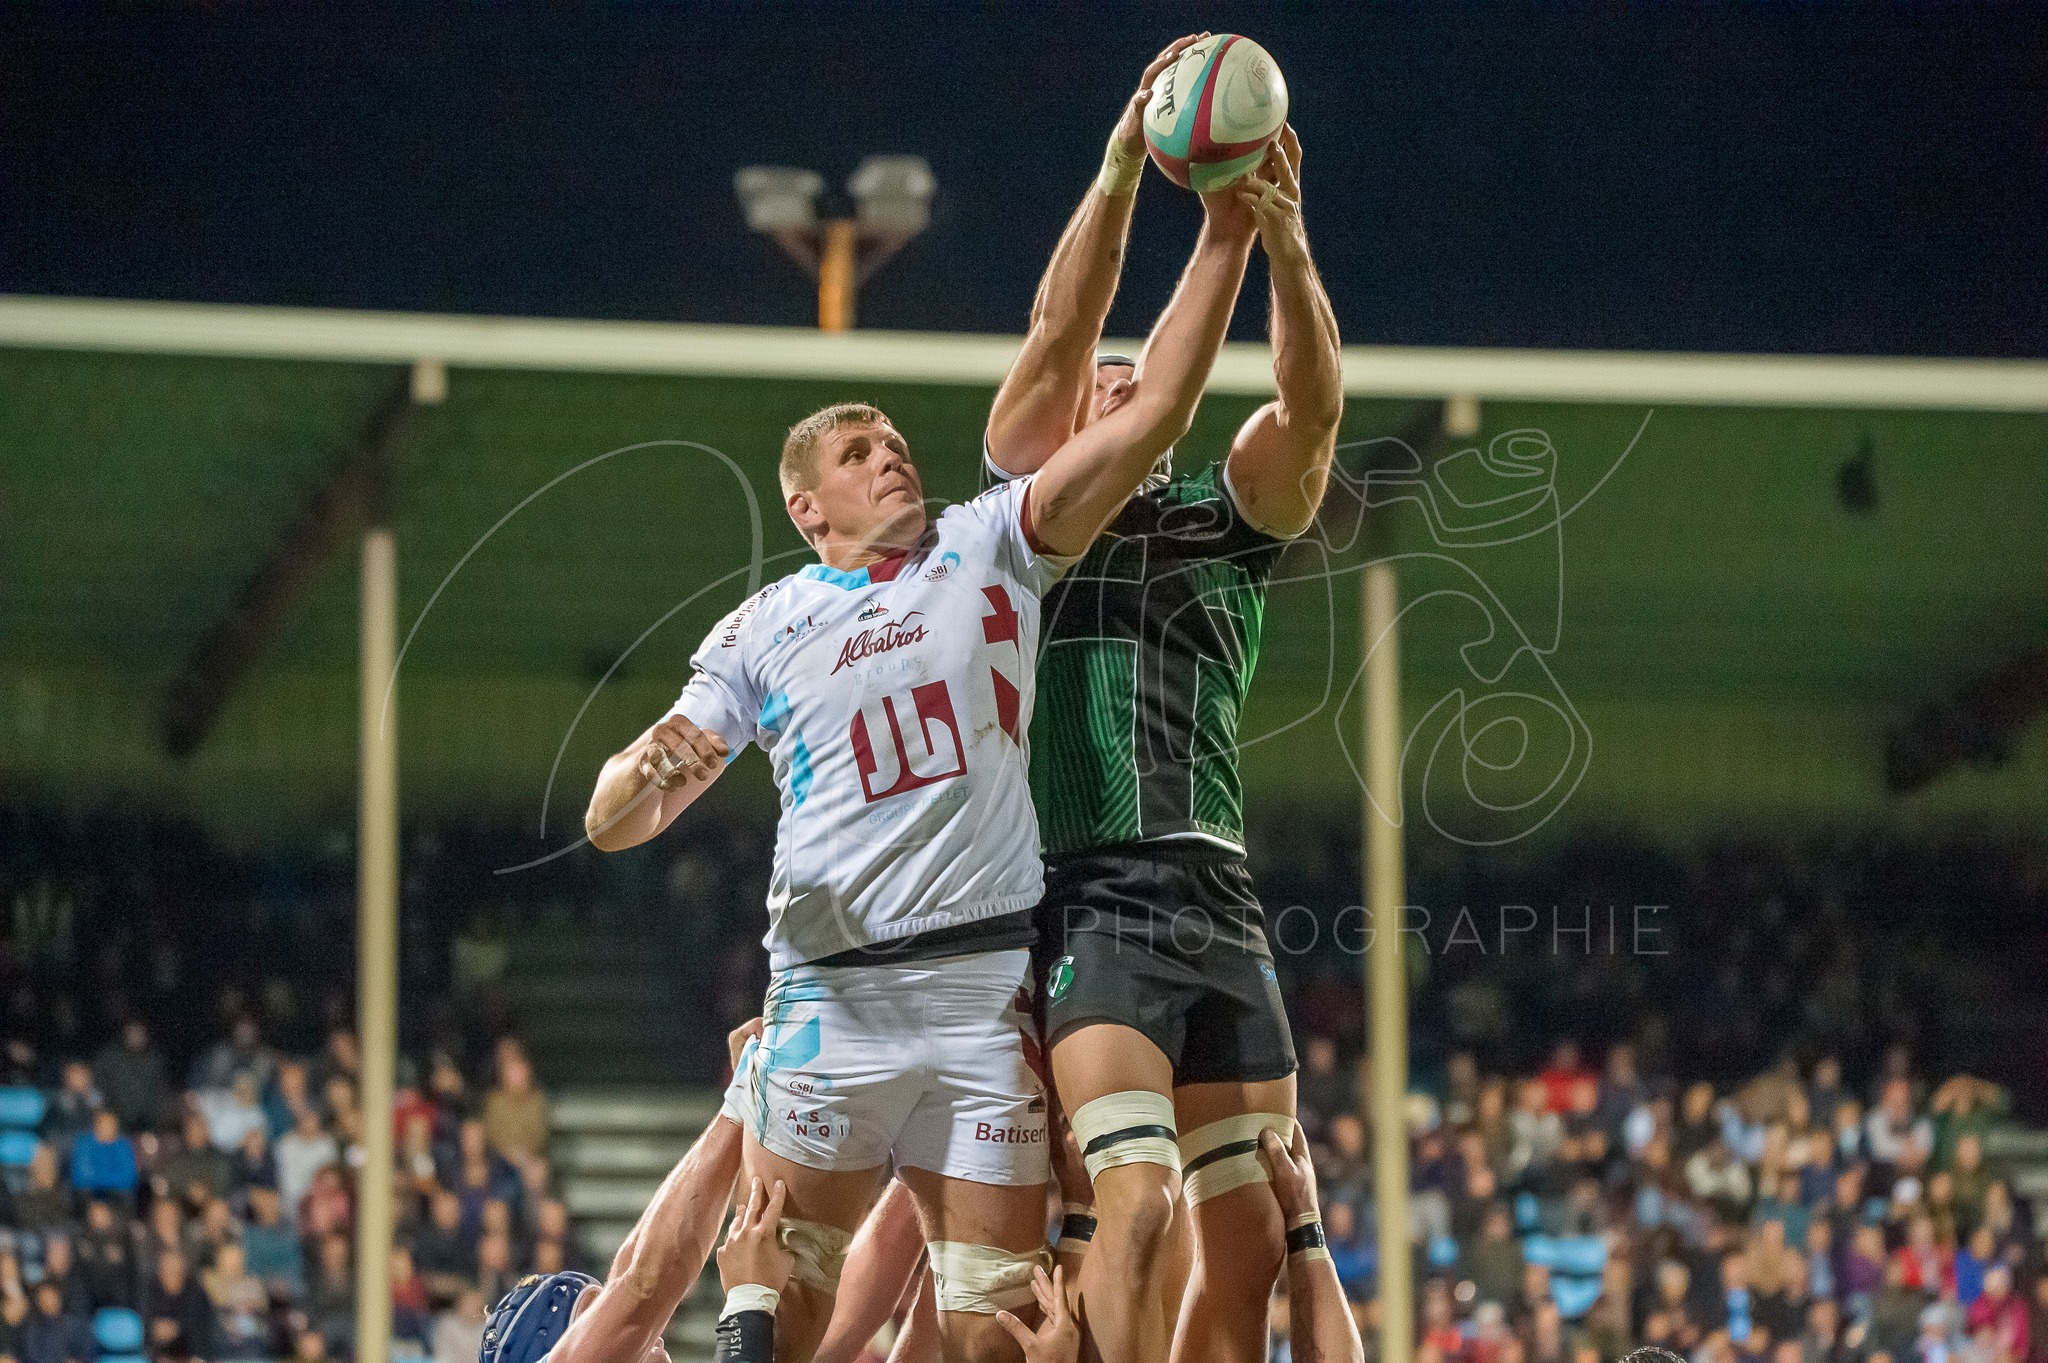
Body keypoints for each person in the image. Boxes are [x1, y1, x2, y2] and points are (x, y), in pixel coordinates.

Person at [583, 51, 1258, 1360]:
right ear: (806, 506)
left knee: (979, 1326)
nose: (891, 453)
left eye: (896, 440)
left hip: (977, 986)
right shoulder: (765, 625)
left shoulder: (983, 550)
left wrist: (1170, 190)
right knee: (781, 1287)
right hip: (835, 987)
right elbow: (631, 805)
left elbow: (1127, 384)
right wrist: (641, 776)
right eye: (858, 450)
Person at [984, 50, 1342, 1361]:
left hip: (1223, 893)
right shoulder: (1029, 526)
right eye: (1109, 380)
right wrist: (1137, 170)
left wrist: (1287, 246)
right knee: (1134, 1205)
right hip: (1095, 890)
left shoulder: (1226, 521)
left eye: (1142, 378)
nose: (1123, 381)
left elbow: (1308, 406)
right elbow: (1054, 335)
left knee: (1248, 1245)